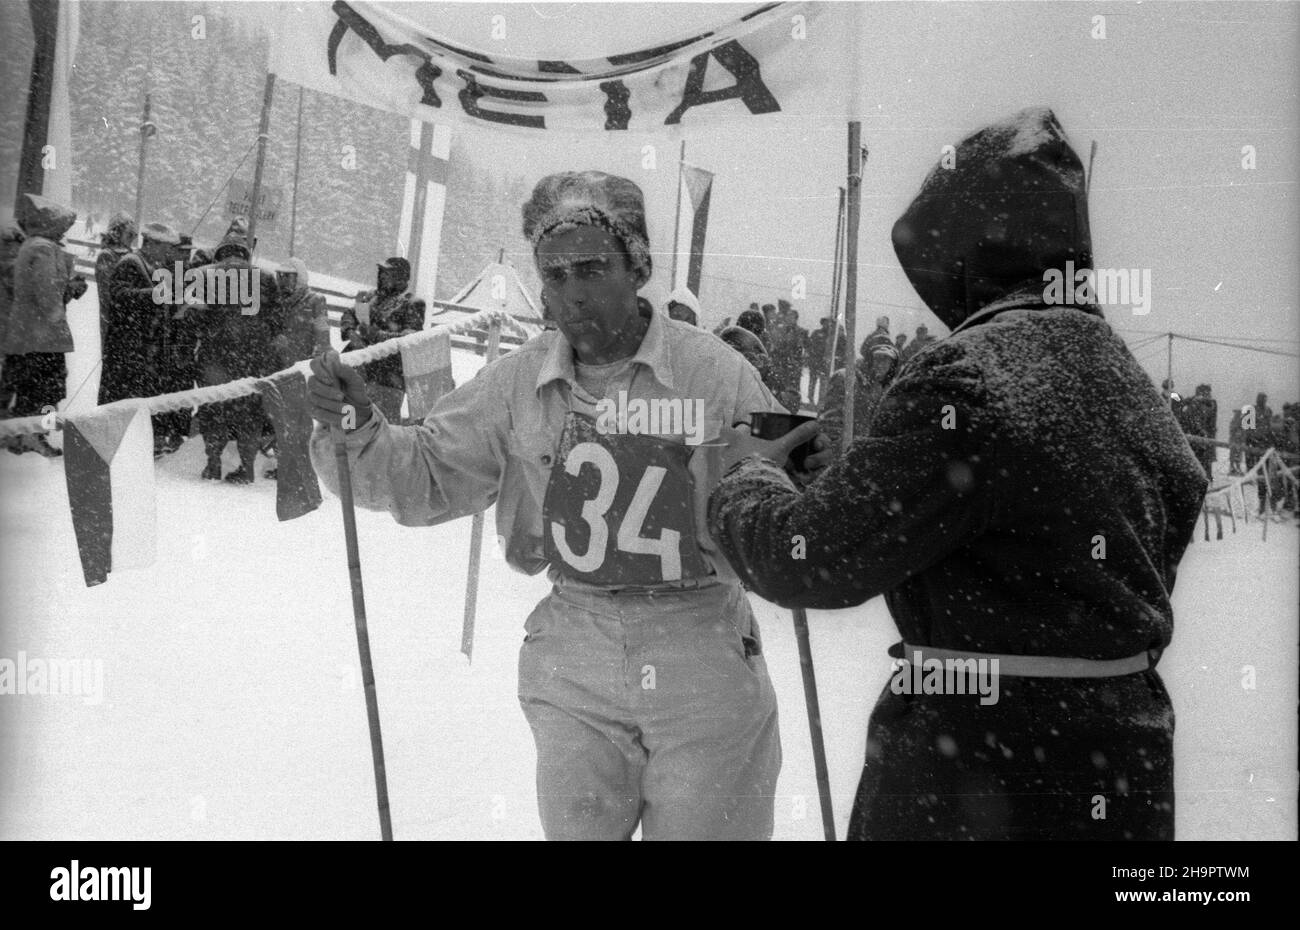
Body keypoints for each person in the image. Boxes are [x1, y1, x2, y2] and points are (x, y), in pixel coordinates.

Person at [709, 107, 1206, 841]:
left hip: (975, 779)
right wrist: (854, 485)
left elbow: (806, 560)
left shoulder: (967, 377)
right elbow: (1023, 537)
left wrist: (747, 480)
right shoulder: (1129, 387)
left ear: (965, 247)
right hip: (1122, 774)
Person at [308, 170, 791, 841]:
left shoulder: (713, 373)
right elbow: (424, 475)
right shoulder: (517, 383)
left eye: (592, 267)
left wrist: (811, 478)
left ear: (637, 267)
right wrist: (359, 429)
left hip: (700, 649)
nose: (571, 292)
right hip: (574, 654)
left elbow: (784, 492)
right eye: (553, 273)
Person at [192, 218, 279, 482]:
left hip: (215, 358)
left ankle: (213, 462)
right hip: (253, 359)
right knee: (249, 416)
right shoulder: (265, 277)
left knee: (213, 409)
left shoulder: (205, 274)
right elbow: (276, 320)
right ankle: (247, 466)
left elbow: (194, 318)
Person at [1, 194, 85, 457]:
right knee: (44, 388)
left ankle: (22, 436)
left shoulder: (30, 245)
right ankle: (33, 437)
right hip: (42, 337)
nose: (65, 230)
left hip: (27, 334)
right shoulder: (44, 249)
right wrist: (70, 289)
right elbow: (47, 294)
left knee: (28, 387)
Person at [340, 257, 424, 422]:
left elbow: (410, 338)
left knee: (383, 427)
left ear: (400, 278)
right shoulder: (372, 297)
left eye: (389, 273)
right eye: (382, 273)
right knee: (348, 423)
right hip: (359, 371)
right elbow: (350, 314)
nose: (383, 277)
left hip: (388, 376)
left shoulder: (412, 303)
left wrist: (376, 335)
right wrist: (351, 332)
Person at [818, 341, 899, 447]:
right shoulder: (846, 378)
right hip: (843, 449)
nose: (881, 364)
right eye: (877, 358)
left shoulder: (890, 389)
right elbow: (831, 419)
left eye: (886, 360)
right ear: (869, 360)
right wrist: (838, 450)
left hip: (867, 452)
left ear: (892, 365)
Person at [94, 212, 136, 346]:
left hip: (128, 319)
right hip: (114, 317)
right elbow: (108, 292)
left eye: (134, 235)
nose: (132, 238)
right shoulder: (107, 256)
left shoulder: (130, 255)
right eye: (129, 235)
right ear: (117, 232)